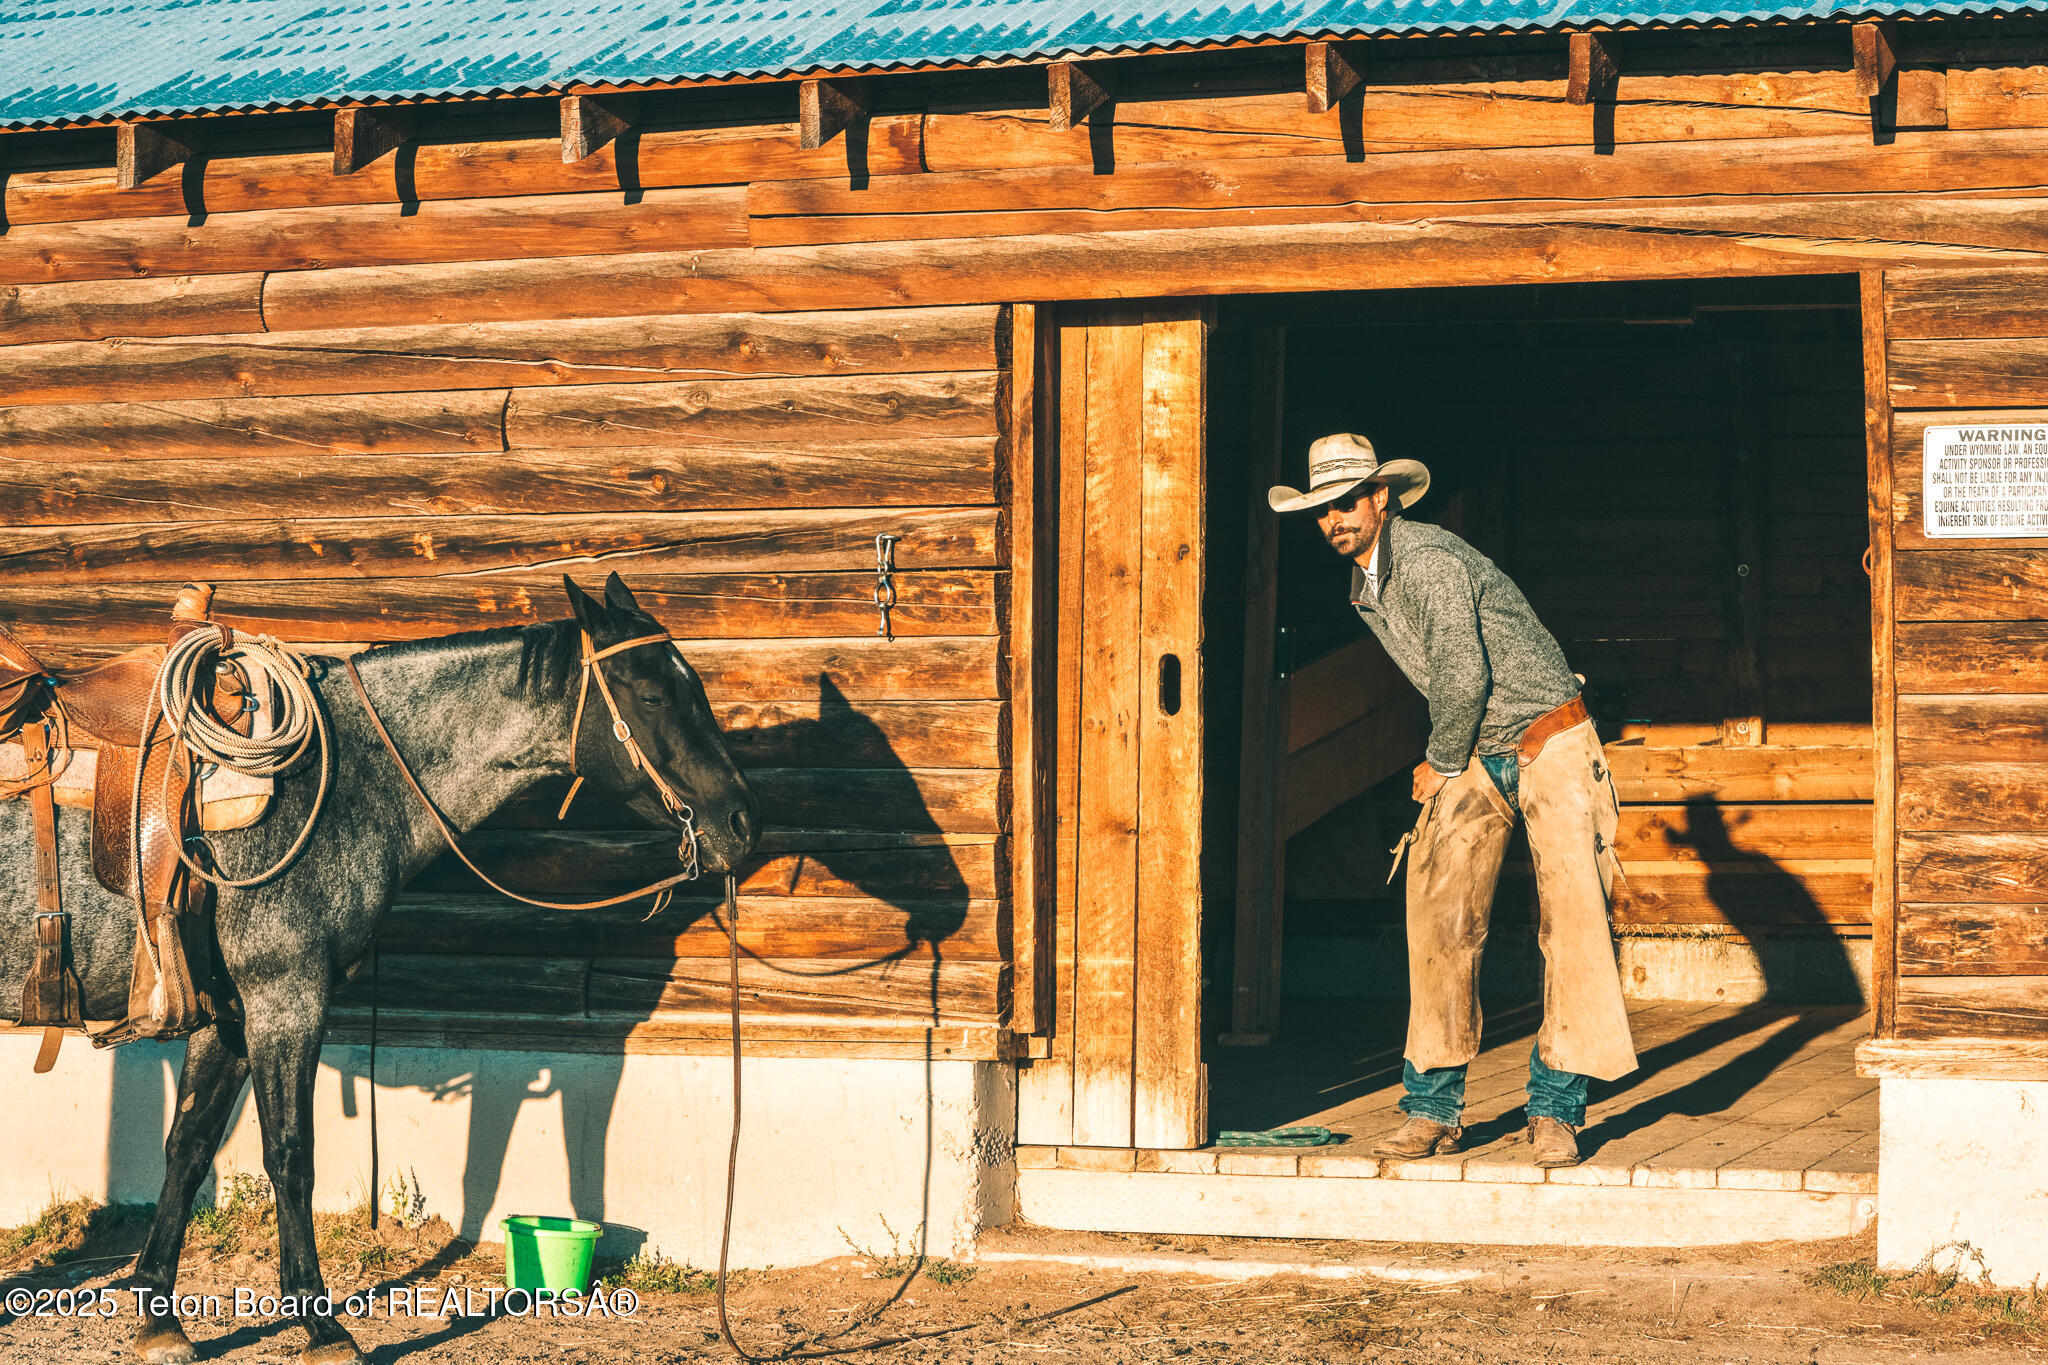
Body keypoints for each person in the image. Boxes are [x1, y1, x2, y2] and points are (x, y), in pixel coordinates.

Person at [1268, 433, 1637, 1168]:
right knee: (1438, 919)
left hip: (1549, 739)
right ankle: (1433, 1109)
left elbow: (1463, 674)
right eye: (1320, 509)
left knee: (1573, 925)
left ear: (1381, 498)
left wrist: (1438, 761)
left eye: (1346, 502)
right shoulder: (1366, 580)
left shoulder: (1428, 560)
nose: (1334, 519)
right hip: (1477, 746)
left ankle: (1556, 1110)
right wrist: (1453, 757)